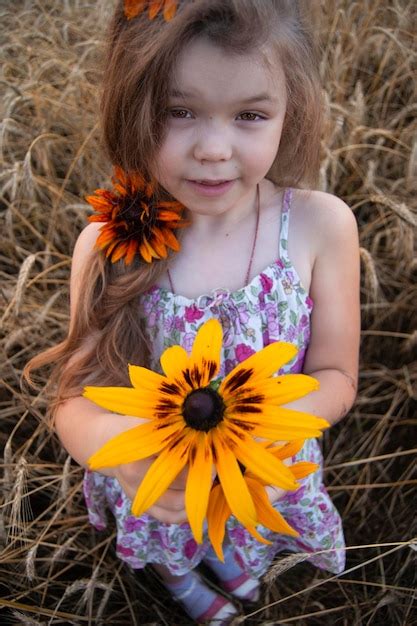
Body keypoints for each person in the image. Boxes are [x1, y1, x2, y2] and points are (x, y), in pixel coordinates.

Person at [24, 1, 361, 624]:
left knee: (247, 530)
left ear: (293, 112)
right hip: (157, 477)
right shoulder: (108, 242)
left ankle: (239, 557)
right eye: (178, 112)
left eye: (250, 115)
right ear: (132, 106)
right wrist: (119, 451)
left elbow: (338, 374)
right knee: (171, 535)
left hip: (265, 459)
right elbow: (72, 399)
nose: (212, 148)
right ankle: (180, 579)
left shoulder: (320, 226)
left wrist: (260, 435)